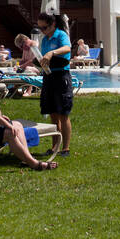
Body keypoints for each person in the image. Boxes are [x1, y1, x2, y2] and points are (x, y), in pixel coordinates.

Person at [35, 12, 73, 155]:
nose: (42, 31)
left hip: (61, 76)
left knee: (63, 113)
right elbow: (45, 57)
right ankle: (55, 147)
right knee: (53, 114)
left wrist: (52, 53)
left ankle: (66, 148)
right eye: (40, 28)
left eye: (44, 28)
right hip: (48, 76)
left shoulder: (61, 35)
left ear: (53, 25)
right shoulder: (45, 39)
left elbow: (67, 48)